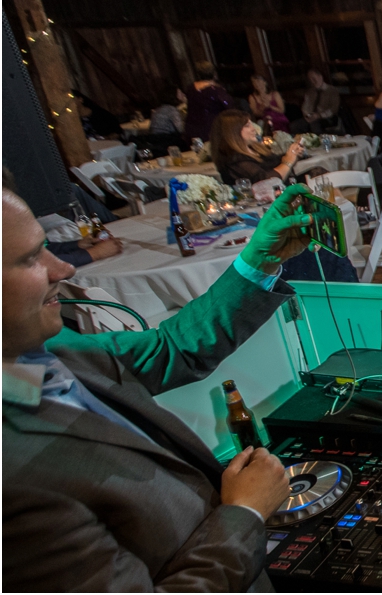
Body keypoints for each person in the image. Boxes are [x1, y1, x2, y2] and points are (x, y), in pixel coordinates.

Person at [2, 180, 314, 590]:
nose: (64, 268)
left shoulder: (50, 345)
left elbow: (171, 349)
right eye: (29, 259)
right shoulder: (15, 482)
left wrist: (262, 258)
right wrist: (245, 514)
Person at [210, 110, 303, 185]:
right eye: (247, 125)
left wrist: (293, 152)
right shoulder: (235, 160)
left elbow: (275, 162)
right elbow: (265, 181)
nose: (253, 129)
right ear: (233, 132)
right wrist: (288, 162)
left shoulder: (254, 149)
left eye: (251, 124)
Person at [182, 68, 233, 142]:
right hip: (211, 126)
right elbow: (228, 105)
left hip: (192, 126)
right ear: (214, 75)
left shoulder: (190, 89)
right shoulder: (216, 90)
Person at [291, 69, 340, 134]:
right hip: (311, 117)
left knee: (314, 124)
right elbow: (305, 106)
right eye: (310, 79)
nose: (312, 81)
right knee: (294, 126)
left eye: (314, 78)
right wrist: (308, 115)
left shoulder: (332, 90)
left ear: (320, 77)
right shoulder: (310, 92)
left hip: (327, 118)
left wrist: (319, 115)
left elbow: (334, 109)